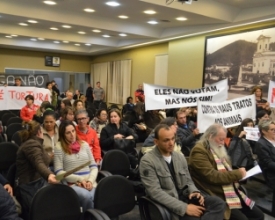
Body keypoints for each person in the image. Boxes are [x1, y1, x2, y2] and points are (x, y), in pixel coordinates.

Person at [139, 124, 225, 220]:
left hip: (186, 197)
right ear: (156, 142)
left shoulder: (179, 157)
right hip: (169, 205)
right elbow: (155, 193)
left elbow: (188, 180)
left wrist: (194, 191)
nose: (171, 143)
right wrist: (184, 208)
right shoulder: (147, 161)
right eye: (166, 140)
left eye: (173, 139)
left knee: (218, 203)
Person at [188, 123, 264, 220]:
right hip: (217, 193)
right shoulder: (199, 151)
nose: (223, 143)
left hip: (232, 189)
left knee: (258, 215)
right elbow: (213, 176)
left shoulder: (216, 146)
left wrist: (239, 174)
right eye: (221, 139)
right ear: (210, 136)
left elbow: (227, 169)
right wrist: (237, 174)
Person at [16, 120, 59, 219]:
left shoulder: (34, 143)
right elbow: (38, 162)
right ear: (39, 132)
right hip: (31, 186)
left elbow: (45, 159)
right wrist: (49, 175)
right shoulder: (31, 145)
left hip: (38, 182)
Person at [54, 120, 98, 215]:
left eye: (73, 131)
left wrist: (90, 180)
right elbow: (59, 173)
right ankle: (90, 217)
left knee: (99, 194)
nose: (72, 135)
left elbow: (93, 166)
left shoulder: (84, 144)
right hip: (73, 183)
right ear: (63, 134)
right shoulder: (59, 147)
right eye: (68, 133)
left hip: (90, 181)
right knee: (87, 196)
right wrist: (80, 179)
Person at [255, 119, 275, 190]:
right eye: (272, 129)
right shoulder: (261, 144)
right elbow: (268, 163)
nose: (274, 131)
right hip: (272, 174)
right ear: (264, 131)